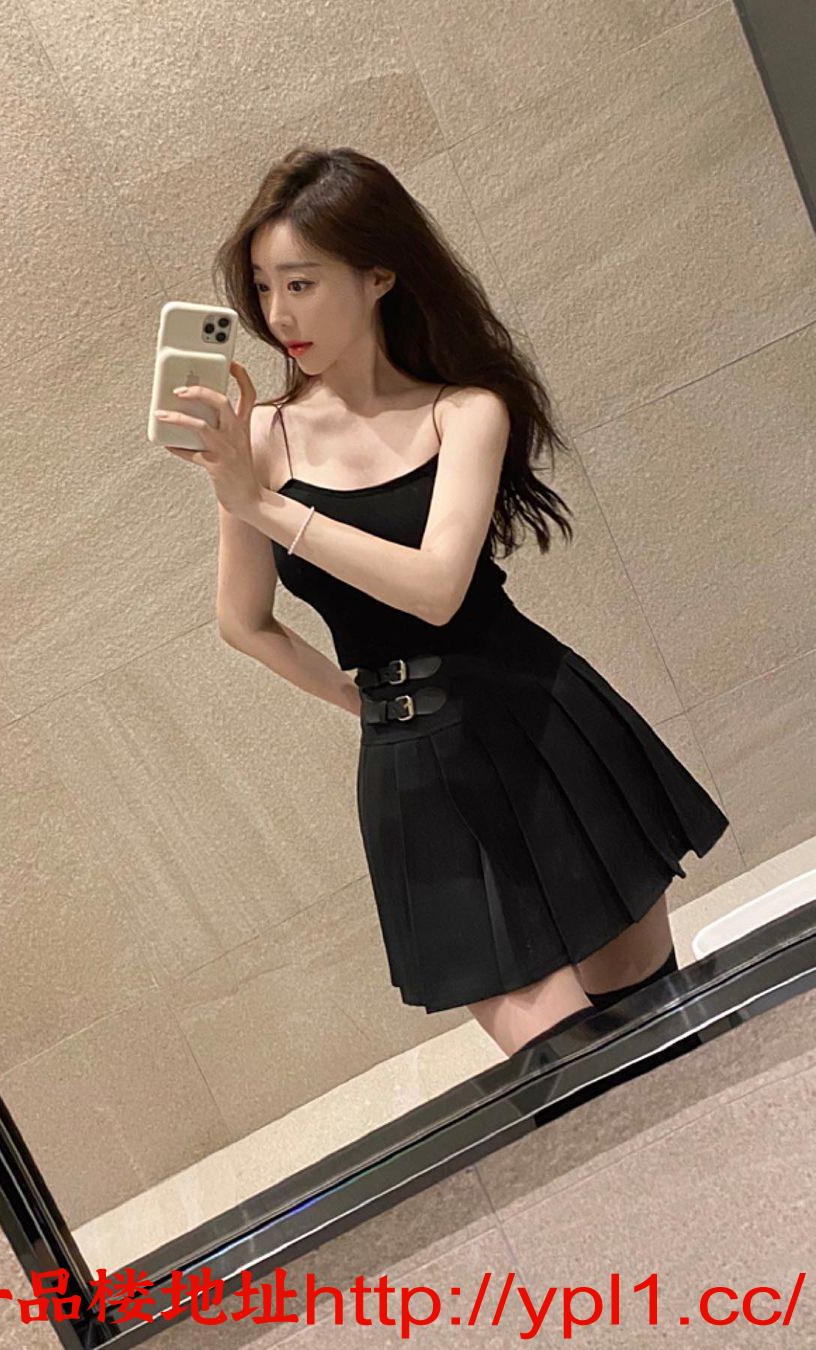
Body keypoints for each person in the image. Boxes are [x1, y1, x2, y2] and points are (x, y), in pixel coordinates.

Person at [154, 146, 729, 1058]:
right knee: (563, 1072)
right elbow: (243, 621)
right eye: (262, 288)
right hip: (414, 769)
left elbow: (435, 588)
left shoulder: (465, 411)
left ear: (379, 275)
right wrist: (362, 702)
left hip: (540, 722)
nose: (278, 314)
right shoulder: (258, 437)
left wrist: (258, 505)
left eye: (301, 283)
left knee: (660, 1029)